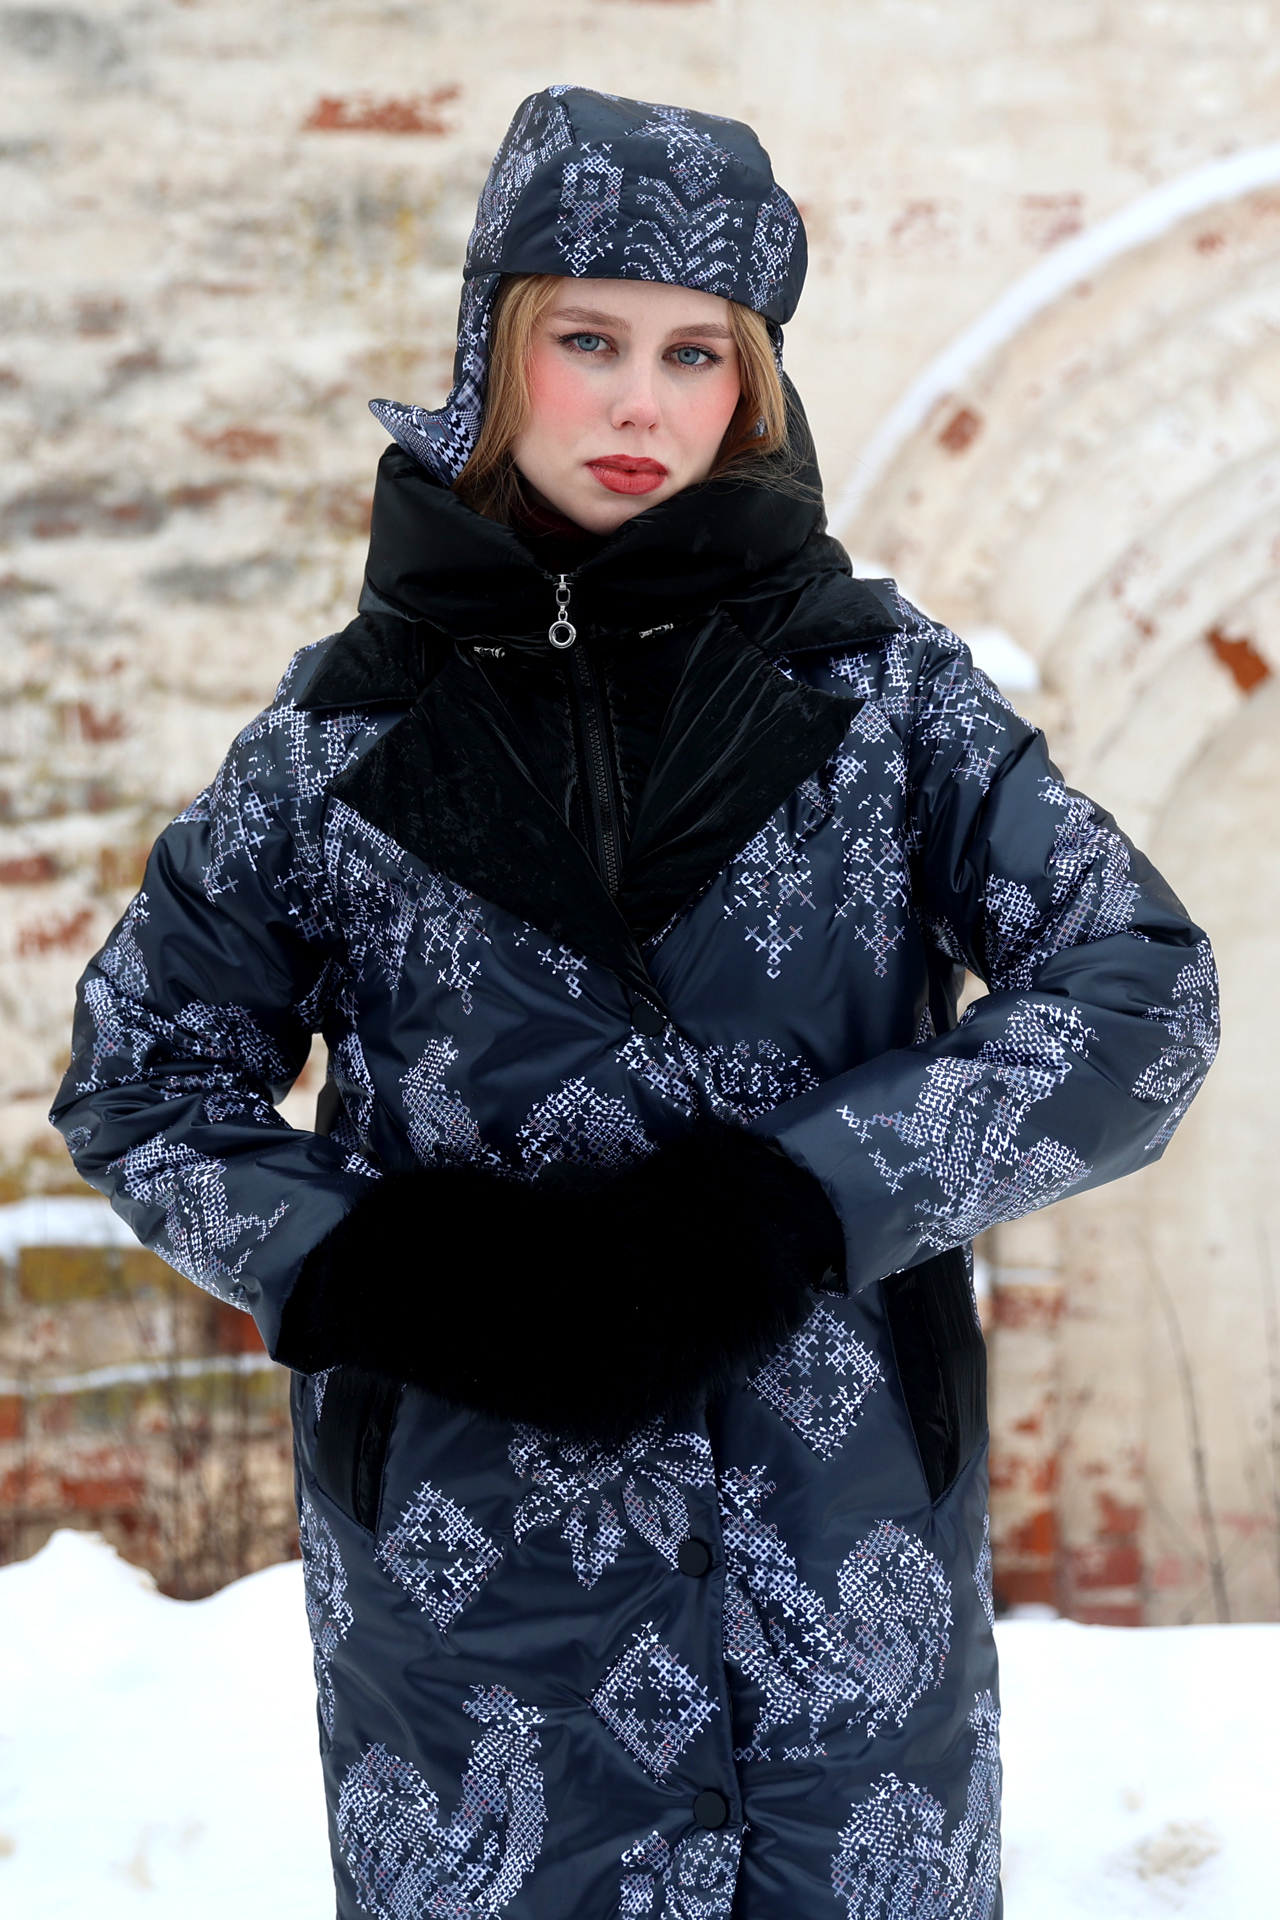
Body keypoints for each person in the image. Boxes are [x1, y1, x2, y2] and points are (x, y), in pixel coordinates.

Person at [53, 87, 1218, 1920]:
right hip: (468, 1577)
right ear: (494, 346)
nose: (639, 405)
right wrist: (385, 1271)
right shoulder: (335, 740)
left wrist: (799, 1200)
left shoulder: (884, 699)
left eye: (695, 354)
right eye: (586, 339)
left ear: (750, 384)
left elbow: (1141, 995)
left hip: (837, 1553)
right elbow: (141, 1077)